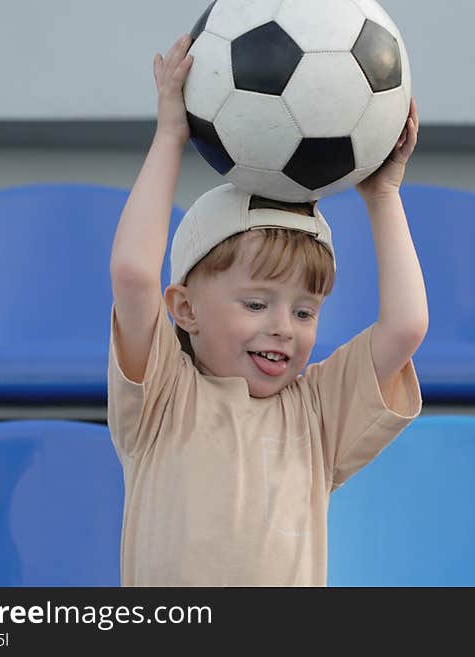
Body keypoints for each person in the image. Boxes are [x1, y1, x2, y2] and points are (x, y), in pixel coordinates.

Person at [107, 33, 427, 586]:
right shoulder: (161, 395)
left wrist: (383, 196)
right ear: (184, 309)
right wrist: (169, 136)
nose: (283, 328)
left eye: (305, 312)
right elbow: (135, 275)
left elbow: (406, 327)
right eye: (257, 303)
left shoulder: (318, 414)